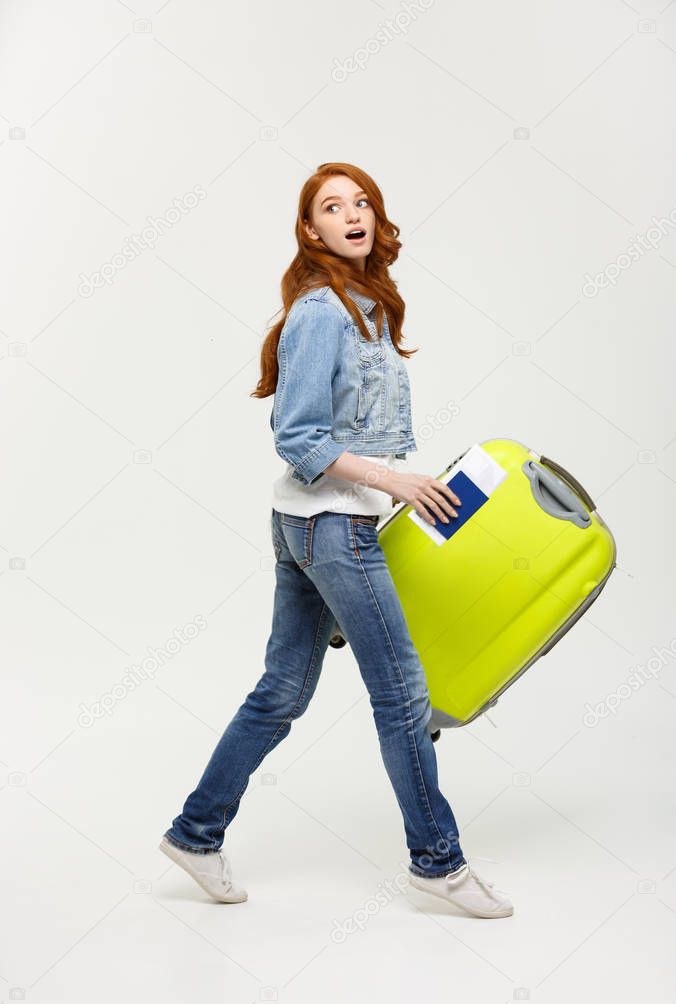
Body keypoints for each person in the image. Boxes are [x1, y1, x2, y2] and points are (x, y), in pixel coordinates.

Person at [159, 162, 514, 918]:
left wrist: (398, 479)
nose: (350, 214)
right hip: (332, 527)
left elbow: (348, 435)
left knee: (282, 690)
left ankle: (195, 832)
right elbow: (298, 438)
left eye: (361, 203)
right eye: (331, 206)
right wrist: (396, 483)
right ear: (310, 229)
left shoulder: (369, 305)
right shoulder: (321, 311)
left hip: (311, 523)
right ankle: (438, 862)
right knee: (401, 695)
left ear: (375, 219)